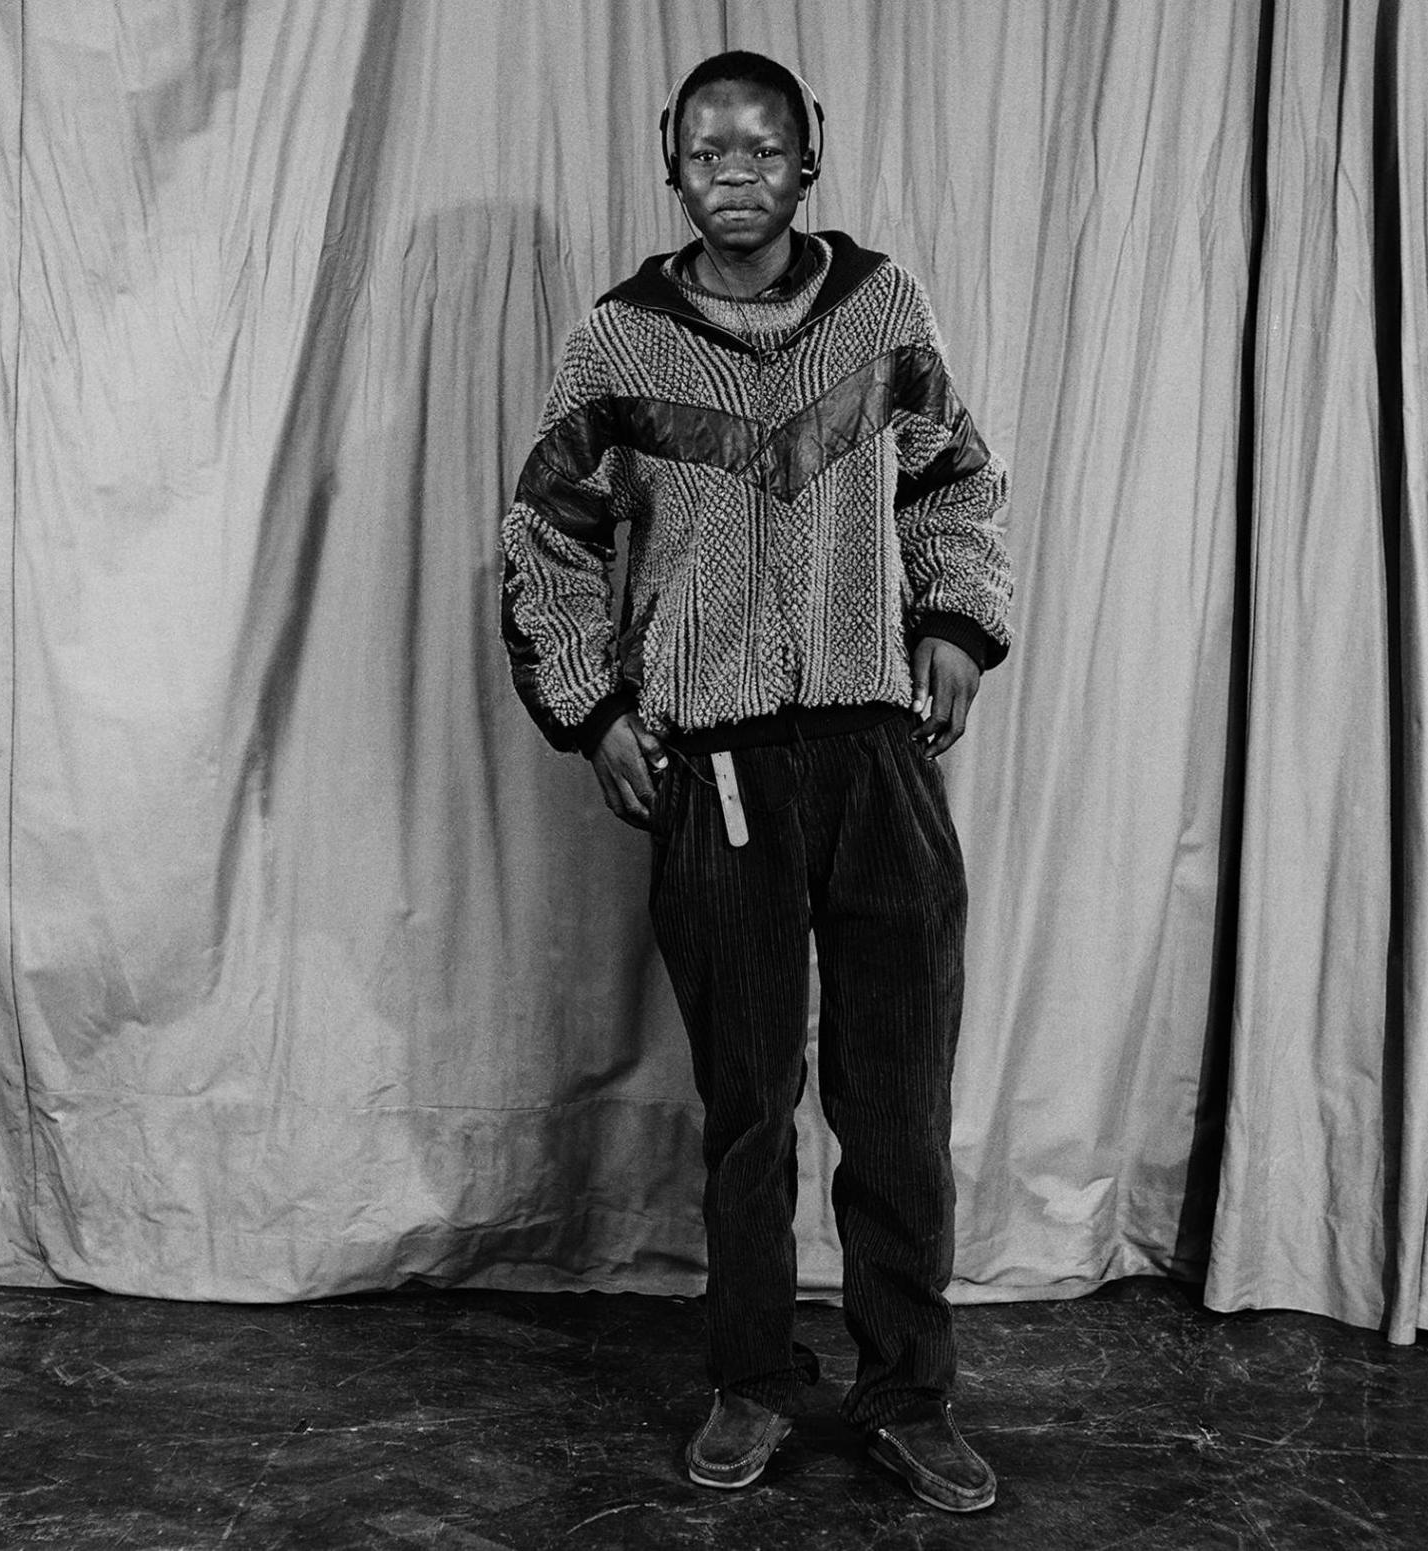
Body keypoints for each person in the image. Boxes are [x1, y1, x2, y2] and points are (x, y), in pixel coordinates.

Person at [499, 49, 1012, 1514]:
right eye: (707, 151)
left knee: (898, 1096)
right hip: (713, 771)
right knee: (745, 1103)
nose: (736, 174)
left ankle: (911, 1392)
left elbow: (955, 483)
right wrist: (592, 708)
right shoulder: (619, 343)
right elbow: (549, 538)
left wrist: (954, 625)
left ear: (810, 160)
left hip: (872, 758)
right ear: (673, 164)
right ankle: (751, 1381)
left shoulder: (879, 311)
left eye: (762, 149)